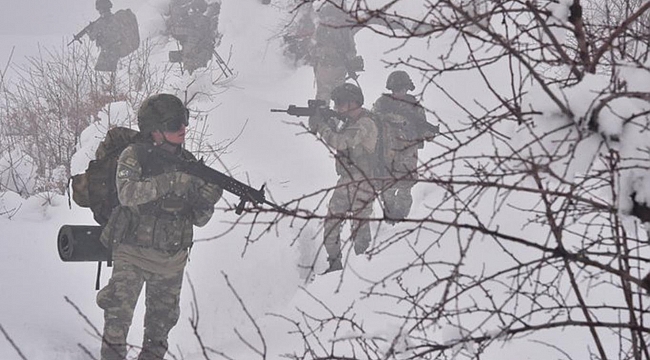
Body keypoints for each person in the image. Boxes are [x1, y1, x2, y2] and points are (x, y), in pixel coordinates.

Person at [96, 93, 222, 360]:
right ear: (154, 130)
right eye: (175, 124)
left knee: (159, 332)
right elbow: (127, 194)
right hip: (132, 253)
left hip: (171, 260)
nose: (183, 129)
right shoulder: (135, 155)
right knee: (117, 323)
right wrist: (171, 182)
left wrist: (207, 200)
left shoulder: (190, 165)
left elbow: (198, 219)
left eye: (184, 121)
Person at [309, 83, 379, 273]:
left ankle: (362, 271)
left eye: (340, 103)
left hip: (364, 181)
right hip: (346, 180)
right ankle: (335, 265)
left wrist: (323, 127)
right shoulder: (349, 122)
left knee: (359, 228)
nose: (338, 108)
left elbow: (340, 142)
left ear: (353, 103)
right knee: (331, 222)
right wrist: (322, 121)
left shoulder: (366, 123)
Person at [372, 70, 438, 223]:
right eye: (396, 89)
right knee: (387, 189)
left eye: (402, 89)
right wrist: (393, 119)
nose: (399, 93)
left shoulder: (414, 106)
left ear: (407, 88)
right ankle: (390, 221)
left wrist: (428, 133)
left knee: (405, 188)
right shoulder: (383, 103)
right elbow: (373, 120)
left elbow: (422, 129)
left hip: (408, 152)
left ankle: (402, 222)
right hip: (387, 151)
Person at [310, 2, 363, 105]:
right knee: (323, 97)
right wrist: (325, 52)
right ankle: (321, 118)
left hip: (338, 68)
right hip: (325, 68)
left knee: (338, 97)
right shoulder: (322, 30)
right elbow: (313, 49)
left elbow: (352, 50)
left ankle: (335, 118)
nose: (332, 20)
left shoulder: (344, 30)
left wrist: (343, 58)